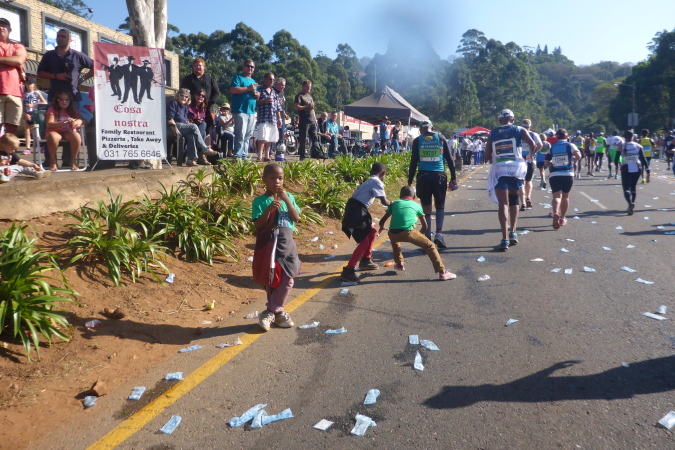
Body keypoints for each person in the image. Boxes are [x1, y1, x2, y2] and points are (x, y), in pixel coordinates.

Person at [252, 163, 301, 331]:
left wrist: (287, 200)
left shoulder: (289, 197)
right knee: (272, 281)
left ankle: (270, 312)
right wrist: (268, 209)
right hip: (269, 248)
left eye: (280, 178)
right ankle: (278, 315)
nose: (277, 182)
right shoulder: (259, 201)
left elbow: (296, 218)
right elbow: (259, 225)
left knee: (288, 279)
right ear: (264, 180)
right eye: (272, 178)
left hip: (287, 247)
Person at [378, 186, 457, 280]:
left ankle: (399, 264)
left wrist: (381, 227)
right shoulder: (417, 205)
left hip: (392, 233)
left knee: (395, 241)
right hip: (408, 232)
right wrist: (418, 236)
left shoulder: (394, 203)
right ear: (414, 196)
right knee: (430, 246)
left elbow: (382, 221)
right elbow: (425, 226)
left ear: (400, 196)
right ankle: (442, 272)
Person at [484, 109, 537, 250]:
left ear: (500, 120)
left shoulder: (493, 133)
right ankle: (513, 232)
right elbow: (533, 144)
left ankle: (505, 239)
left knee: (503, 203)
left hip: (500, 169)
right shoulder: (520, 129)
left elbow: (486, 155)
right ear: (513, 120)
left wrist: (489, 157)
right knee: (514, 200)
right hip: (516, 169)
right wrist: (529, 156)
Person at [407, 120, 458, 249]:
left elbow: (413, 161)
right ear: (432, 128)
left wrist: (409, 181)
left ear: (420, 130)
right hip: (439, 176)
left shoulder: (418, 140)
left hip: (423, 177)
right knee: (440, 206)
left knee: (427, 209)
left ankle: (428, 238)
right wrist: (453, 178)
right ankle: (439, 234)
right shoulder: (440, 138)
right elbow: (449, 159)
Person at [340, 162, 392, 283]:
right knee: (364, 242)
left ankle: (366, 260)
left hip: (356, 209)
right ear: (383, 173)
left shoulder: (369, 181)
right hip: (357, 211)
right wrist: (394, 203)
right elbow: (384, 201)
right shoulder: (377, 181)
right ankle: (349, 270)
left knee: (372, 232)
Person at [37, 28, 93, 103]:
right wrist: (56, 76)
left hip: (72, 98)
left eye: (63, 36)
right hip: (54, 97)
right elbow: (40, 73)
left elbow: (96, 67)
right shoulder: (49, 55)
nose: (60, 38)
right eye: (58, 36)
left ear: (70, 41)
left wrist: (82, 79)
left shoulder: (78, 55)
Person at [166, 88, 215, 167]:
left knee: (191, 135)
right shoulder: (173, 103)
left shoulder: (185, 107)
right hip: (173, 127)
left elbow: (185, 120)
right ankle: (203, 148)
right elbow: (170, 119)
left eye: (186, 97)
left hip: (182, 127)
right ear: (177, 96)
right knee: (194, 126)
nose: (184, 98)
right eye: (182, 95)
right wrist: (175, 130)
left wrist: (188, 122)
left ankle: (191, 159)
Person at [545, 129, 582, 229]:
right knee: (565, 196)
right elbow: (579, 156)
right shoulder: (570, 145)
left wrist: (552, 161)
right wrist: (573, 159)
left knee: (556, 196)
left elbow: (546, 163)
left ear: (556, 137)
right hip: (567, 174)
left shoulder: (552, 147)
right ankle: (562, 218)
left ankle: (555, 213)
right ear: (567, 136)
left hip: (554, 174)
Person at [45, 91, 85, 171]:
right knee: (53, 136)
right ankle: (53, 162)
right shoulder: (52, 109)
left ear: (70, 101)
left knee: (76, 136)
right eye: (62, 99)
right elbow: (49, 124)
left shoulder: (73, 111)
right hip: (54, 131)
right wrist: (64, 122)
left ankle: (73, 161)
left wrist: (79, 121)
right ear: (57, 101)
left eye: (67, 100)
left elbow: (85, 122)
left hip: (67, 132)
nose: (64, 102)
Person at [0, 17, 27, 135]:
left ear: (9, 29)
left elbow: (19, 60)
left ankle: (9, 147)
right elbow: (16, 61)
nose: (1, 28)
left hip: (15, 92)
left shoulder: (17, 46)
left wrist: (16, 62)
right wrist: (12, 62)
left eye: (4, 26)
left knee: (12, 128)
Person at [180, 57, 219, 138]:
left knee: (207, 129)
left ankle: (203, 145)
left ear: (203, 67)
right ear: (193, 67)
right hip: (190, 109)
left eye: (200, 65)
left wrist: (208, 103)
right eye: (196, 65)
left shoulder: (210, 79)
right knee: (192, 129)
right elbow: (182, 92)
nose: (198, 67)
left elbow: (216, 93)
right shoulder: (188, 79)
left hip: (207, 109)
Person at [230, 60, 259, 160]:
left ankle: (244, 155)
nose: (250, 68)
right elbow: (233, 90)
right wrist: (248, 88)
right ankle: (237, 156)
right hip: (240, 110)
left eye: (252, 67)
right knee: (240, 134)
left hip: (251, 111)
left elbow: (254, 94)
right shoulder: (238, 77)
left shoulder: (253, 81)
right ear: (243, 66)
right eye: (248, 66)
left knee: (248, 135)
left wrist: (257, 95)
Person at [617, 130, 649, 215]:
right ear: (633, 137)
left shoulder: (621, 145)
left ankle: (630, 203)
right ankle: (632, 204)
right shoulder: (638, 146)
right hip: (637, 167)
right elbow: (643, 159)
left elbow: (617, 157)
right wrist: (647, 169)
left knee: (626, 188)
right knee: (633, 187)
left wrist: (618, 164)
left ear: (624, 137)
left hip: (626, 167)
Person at [254, 72, 282, 162]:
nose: (272, 81)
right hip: (263, 117)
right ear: (265, 79)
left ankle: (267, 155)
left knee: (269, 137)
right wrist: (264, 101)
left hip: (272, 118)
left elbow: (277, 107)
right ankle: (259, 156)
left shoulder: (274, 92)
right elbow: (254, 102)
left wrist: (279, 118)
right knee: (263, 137)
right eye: (270, 79)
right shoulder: (259, 89)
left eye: (273, 79)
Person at [294, 80, 324, 160]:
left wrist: (315, 119)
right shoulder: (299, 96)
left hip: (312, 120)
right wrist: (306, 106)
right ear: (303, 87)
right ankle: (302, 155)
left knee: (315, 137)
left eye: (310, 87)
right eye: (307, 87)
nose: (309, 88)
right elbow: (296, 107)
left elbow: (312, 109)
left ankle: (317, 153)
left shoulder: (310, 97)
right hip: (304, 120)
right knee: (303, 138)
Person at [519, 119, 543, 210]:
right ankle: (528, 197)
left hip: (520, 160)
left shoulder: (519, 134)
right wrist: (532, 153)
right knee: (528, 181)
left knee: (521, 182)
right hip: (530, 160)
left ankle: (523, 203)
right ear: (530, 126)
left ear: (522, 126)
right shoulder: (533, 134)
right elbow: (540, 145)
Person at [22, 80, 47, 151]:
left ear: (34, 85)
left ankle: (40, 145)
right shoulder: (24, 94)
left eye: (30, 84)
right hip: (26, 113)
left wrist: (33, 104)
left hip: (35, 113)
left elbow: (44, 102)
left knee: (35, 130)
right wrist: (25, 114)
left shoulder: (36, 93)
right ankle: (28, 148)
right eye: (27, 84)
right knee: (27, 130)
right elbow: (21, 105)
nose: (29, 85)